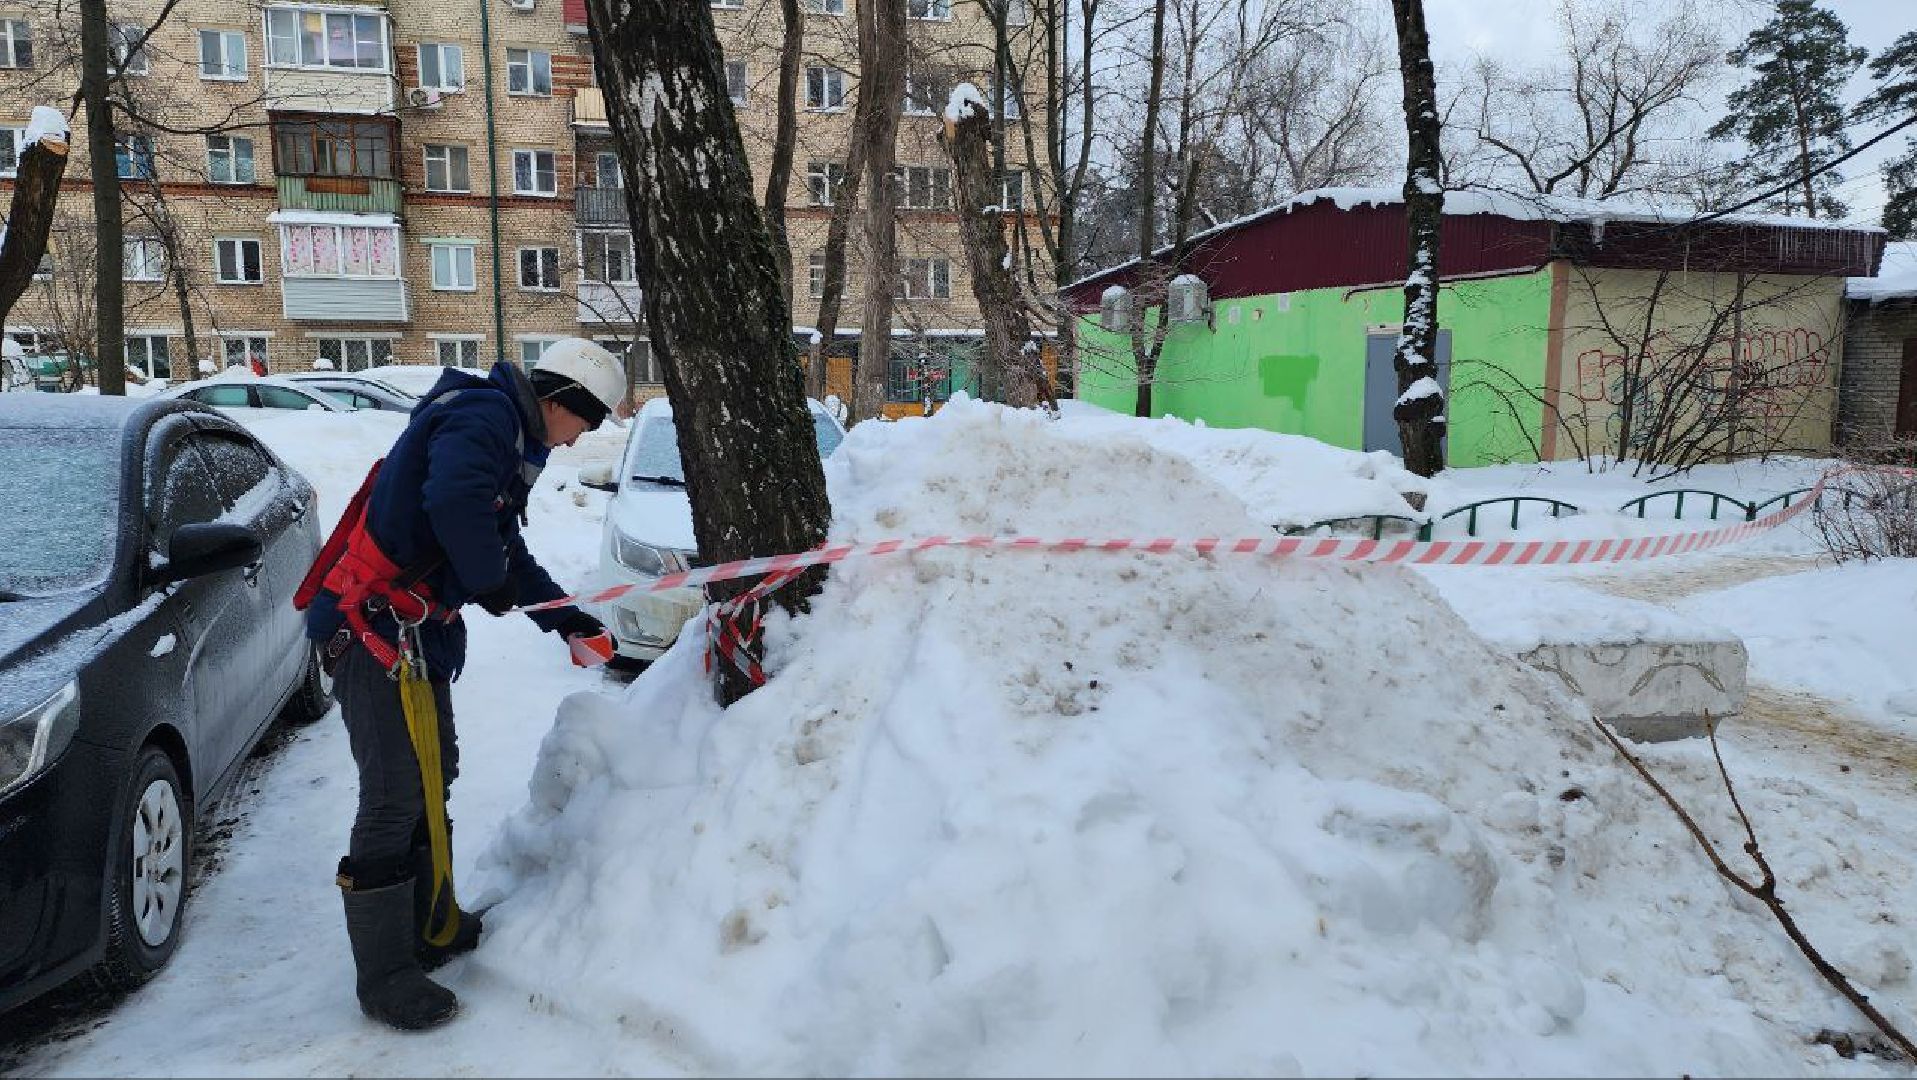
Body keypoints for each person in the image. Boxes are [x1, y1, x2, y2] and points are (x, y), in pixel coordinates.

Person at [296, 339, 625, 1030]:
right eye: (585, 425)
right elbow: (455, 504)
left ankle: (429, 924)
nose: (576, 442)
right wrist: (488, 580)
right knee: (392, 794)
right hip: (373, 631)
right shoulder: (482, 418)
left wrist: (564, 618)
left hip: (414, 636)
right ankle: (386, 977)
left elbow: (502, 545)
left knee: (430, 773)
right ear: (563, 402)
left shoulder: (502, 432)